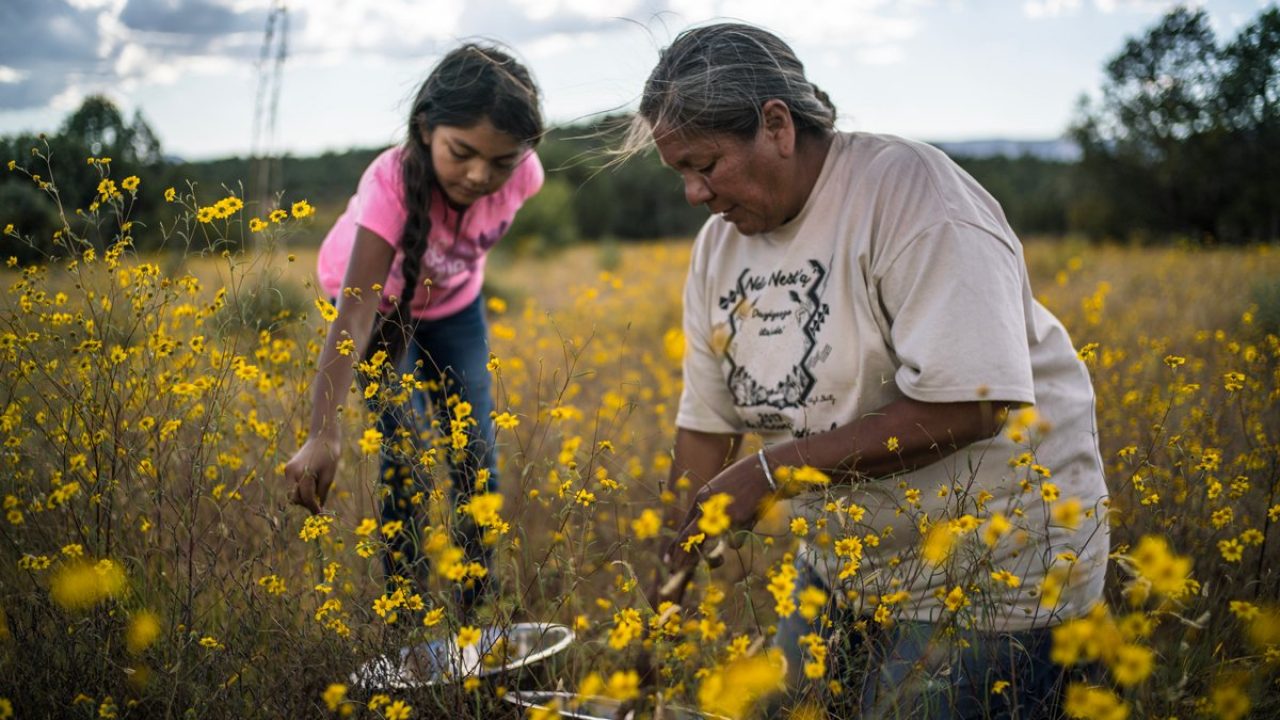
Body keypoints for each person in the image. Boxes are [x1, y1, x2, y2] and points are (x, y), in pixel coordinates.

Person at [629, 23, 1110, 719]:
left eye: (705, 165)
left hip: (990, 576)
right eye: (680, 173)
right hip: (845, 567)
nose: (694, 194)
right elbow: (707, 431)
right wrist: (660, 612)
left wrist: (771, 473)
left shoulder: (912, 197)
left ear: (776, 125)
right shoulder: (719, 249)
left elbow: (973, 404)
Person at [285, 43, 544, 613]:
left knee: (477, 456)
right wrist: (323, 432)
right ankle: (406, 618)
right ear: (426, 128)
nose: (481, 175)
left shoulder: (526, 177)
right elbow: (352, 316)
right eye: (463, 152)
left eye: (501, 162)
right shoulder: (391, 186)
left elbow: (463, 237)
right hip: (375, 312)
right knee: (406, 455)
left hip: (455, 308)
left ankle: (477, 618)